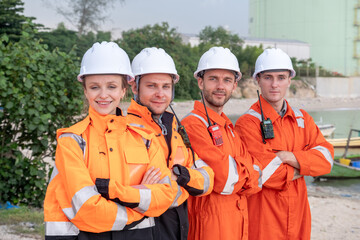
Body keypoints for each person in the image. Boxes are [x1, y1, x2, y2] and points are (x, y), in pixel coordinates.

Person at [43, 42, 179, 240]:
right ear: (85, 91)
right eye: (95, 87)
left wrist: (117, 193)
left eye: (112, 87)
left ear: (124, 90)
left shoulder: (145, 138)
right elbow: (87, 209)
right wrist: (140, 202)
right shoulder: (72, 141)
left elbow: (165, 196)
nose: (103, 95)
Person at [235, 48, 334, 240]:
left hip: (299, 217)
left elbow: (327, 160)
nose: (274, 84)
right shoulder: (247, 123)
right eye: (268, 78)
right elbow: (263, 175)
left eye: (281, 77)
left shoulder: (302, 119)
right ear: (258, 80)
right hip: (264, 220)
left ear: (290, 80)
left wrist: (291, 157)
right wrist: (304, 167)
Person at [126, 47, 215, 240]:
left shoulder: (174, 127)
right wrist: (186, 181)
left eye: (166, 86)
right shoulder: (126, 130)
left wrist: (179, 175)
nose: (160, 93)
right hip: (146, 232)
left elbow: (207, 179)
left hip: (179, 229)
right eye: (152, 86)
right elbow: (137, 195)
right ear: (135, 87)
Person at [181, 46, 262, 240]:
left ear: (234, 86)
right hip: (209, 229)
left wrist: (244, 172)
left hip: (237, 226)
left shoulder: (229, 128)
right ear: (200, 82)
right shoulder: (192, 125)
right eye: (213, 79)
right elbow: (225, 179)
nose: (220, 86)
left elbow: (258, 177)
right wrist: (246, 171)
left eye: (227, 80)